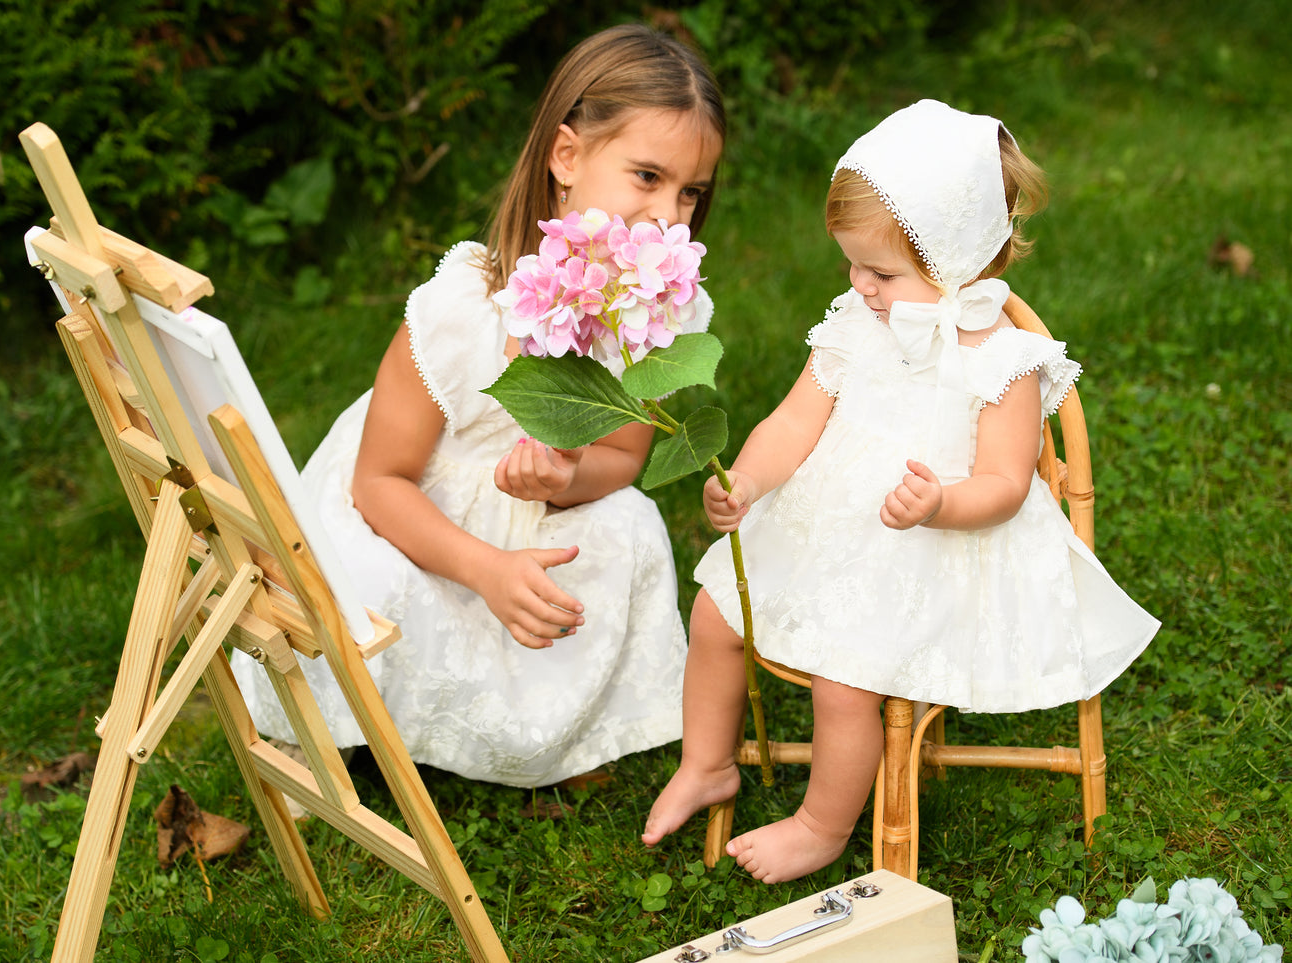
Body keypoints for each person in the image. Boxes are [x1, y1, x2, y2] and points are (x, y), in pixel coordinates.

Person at [641, 99, 1159, 882]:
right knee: (716, 610)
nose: (859, 285)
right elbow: (793, 419)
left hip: (941, 545)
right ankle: (706, 761)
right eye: (852, 264)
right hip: (832, 523)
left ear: (957, 259)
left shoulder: (1004, 361)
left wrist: (941, 503)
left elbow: (1006, 484)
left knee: (846, 671)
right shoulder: (854, 323)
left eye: (879, 271)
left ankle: (821, 822)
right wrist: (745, 477)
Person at [230, 24, 726, 788]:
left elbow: (623, 458)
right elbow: (379, 483)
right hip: (411, 514)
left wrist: (566, 477)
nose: (668, 216)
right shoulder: (466, 306)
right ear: (567, 158)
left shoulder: (660, 318)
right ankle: (324, 721)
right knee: (365, 580)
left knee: (630, 530)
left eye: (689, 192)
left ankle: (558, 721)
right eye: (646, 177)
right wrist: (485, 570)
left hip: (530, 517)